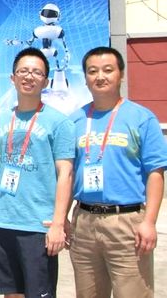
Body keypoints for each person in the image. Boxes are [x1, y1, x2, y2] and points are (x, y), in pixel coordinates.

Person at [69, 46, 167, 297]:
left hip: (127, 223)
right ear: (85, 78)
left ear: (121, 75)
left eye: (108, 70)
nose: (100, 76)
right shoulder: (75, 120)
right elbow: (68, 174)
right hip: (84, 222)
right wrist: (62, 220)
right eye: (93, 71)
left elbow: (155, 173)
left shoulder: (141, 118)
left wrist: (149, 222)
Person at [0, 47, 74, 298]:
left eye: (36, 72)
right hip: (0, 221)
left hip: (38, 225)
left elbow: (65, 174)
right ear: (12, 78)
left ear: (45, 81)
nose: (29, 76)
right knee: (10, 293)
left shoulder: (59, 122)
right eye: (23, 71)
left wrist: (58, 223)